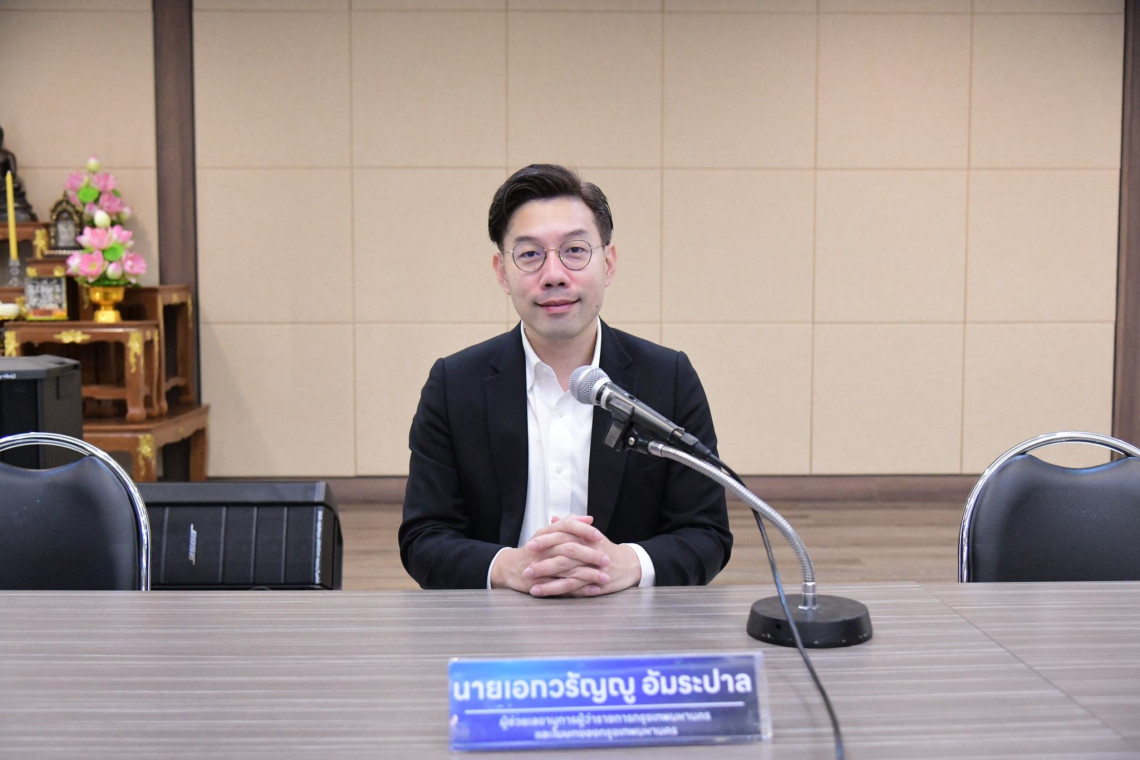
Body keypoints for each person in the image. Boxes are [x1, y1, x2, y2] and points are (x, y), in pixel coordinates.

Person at [399, 164, 732, 597]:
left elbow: (707, 533)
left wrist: (627, 563)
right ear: (502, 272)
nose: (554, 274)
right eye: (530, 254)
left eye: (575, 250)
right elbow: (423, 538)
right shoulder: (454, 384)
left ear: (608, 264)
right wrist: (509, 567)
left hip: (633, 619)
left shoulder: (667, 378)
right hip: (496, 621)